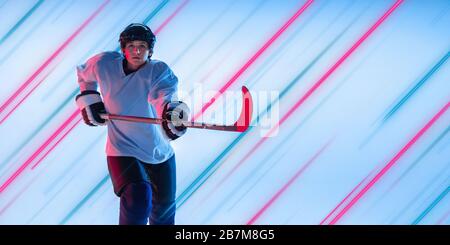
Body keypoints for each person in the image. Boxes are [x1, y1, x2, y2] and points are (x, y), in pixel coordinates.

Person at [75, 23, 189, 225]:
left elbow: (163, 96)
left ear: (150, 50)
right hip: (122, 149)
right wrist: (90, 97)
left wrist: (171, 113)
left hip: (159, 153)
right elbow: (84, 74)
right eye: (131, 46)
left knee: (163, 216)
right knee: (138, 198)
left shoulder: (158, 71)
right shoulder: (104, 64)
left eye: (142, 46)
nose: (136, 51)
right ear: (123, 49)